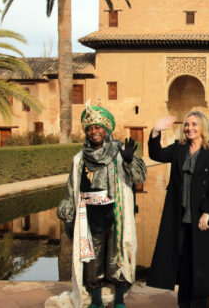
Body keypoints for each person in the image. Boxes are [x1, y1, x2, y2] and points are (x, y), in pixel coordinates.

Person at [56, 101, 147, 308]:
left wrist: (130, 161)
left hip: (116, 214)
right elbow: (72, 188)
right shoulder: (79, 159)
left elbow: (139, 178)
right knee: (92, 259)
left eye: (98, 128)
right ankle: (96, 301)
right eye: (90, 129)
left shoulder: (120, 152)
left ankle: (119, 300)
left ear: (106, 130)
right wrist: (68, 217)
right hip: (90, 216)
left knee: (118, 256)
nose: (94, 132)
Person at [146, 111, 209, 308]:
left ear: (203, 128)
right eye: (187, 125)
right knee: (183, 263)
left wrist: (207, 211)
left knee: (201, 263)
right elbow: (156, 154)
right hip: (179, 217)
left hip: (202, 217)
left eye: (194, 124)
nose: (189, 128)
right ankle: (184, 304)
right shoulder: (179, 149)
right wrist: (155, 130)